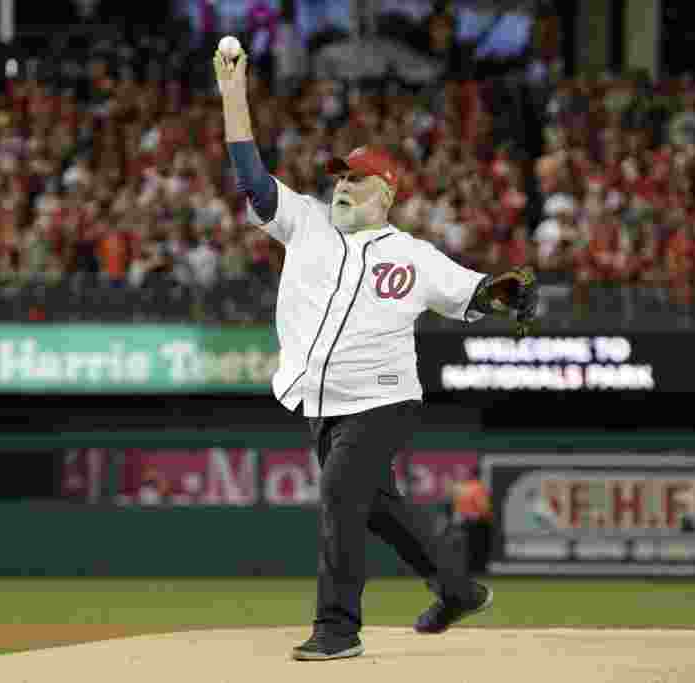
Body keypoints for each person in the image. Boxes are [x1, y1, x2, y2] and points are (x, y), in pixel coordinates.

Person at [214, 44, 537, 662]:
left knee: (340, 498)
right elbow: (251, 176)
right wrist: (234, 94)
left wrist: (502, 294)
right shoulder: (303, 221)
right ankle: (457, 588)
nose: (340, 185)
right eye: (338, 176)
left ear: (383, 194)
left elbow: (474, 292)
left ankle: (338, 628)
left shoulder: (412, 254)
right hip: (321, 403)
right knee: (378, 509)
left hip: (384, 399)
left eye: (354, 178)